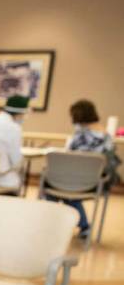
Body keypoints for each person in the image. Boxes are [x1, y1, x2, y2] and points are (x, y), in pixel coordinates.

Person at [44, 99, 119, 239]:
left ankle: (54, 223)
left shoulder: (79, 135)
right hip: (93, 183)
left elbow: (68, 156)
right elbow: (108, 164)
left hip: (71, 182)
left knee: (53, 187)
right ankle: (83, 226)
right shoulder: (107, 137)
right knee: (70, 191)